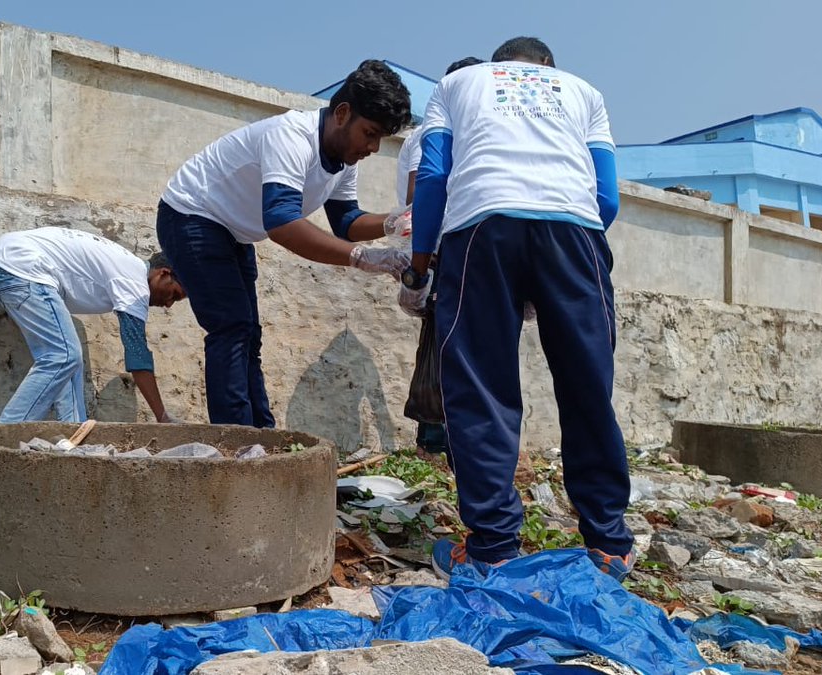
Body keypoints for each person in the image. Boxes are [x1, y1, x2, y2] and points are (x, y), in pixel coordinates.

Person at [403, 37, 634, 580]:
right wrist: (554, 263)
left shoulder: (457, 84)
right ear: (548, 69)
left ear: (496, 64)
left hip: (481, 225)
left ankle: (493, 547)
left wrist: (420, 265)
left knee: (483, 386)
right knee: (587, 384)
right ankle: (608, 544)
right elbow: (607, 197)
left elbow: (434, 176)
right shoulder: (584, 92)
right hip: (574, 230)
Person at [157, 59, 413, 427]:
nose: (372, 147)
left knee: (249, 335)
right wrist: (365, 259)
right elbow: (280, 222)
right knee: (230, 326)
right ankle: (237, 442)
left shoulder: (344, 160)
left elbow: (347, 222)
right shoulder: (293, 135)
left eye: (379, 139)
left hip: (233, 230)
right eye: (370, 133)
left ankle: (262, 434)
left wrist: (392, 222)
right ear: (342, 113)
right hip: (190, 214)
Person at [0, 228, 187, 425]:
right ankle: (6, 435)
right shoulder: (135, 284)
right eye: (175, 295)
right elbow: (137, 355)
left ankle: (74, 433)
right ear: (163, 273)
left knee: (68, 360)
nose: (168, 304)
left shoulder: (125, 265)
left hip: (11, 262)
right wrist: (162, 416)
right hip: (24, 266)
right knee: (64, 355)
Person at [398, 57, 483, 464]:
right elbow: (422, 194)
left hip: (453, 246)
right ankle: (439, 446)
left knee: (456, 347)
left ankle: (452, 447)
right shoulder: (432, 132)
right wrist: (422, 265)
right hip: (443, 248)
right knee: (447, 348)